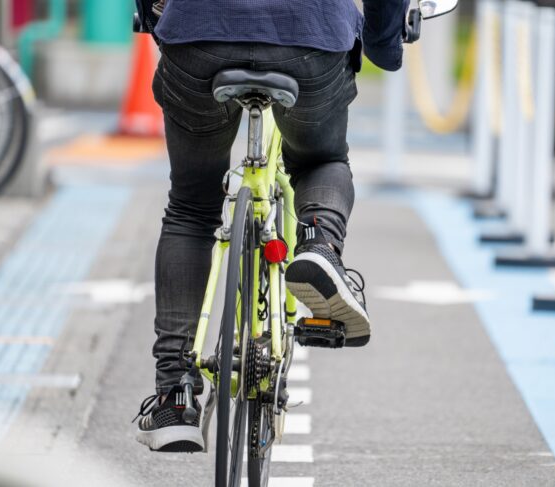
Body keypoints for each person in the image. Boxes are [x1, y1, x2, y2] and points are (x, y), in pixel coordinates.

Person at [132, 0, 408, 452]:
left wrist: (158, 16)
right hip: (310, 36)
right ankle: (319, 243)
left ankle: (174, 394)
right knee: (322, 159)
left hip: (199, 34)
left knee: (191, 206)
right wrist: (383, 43)